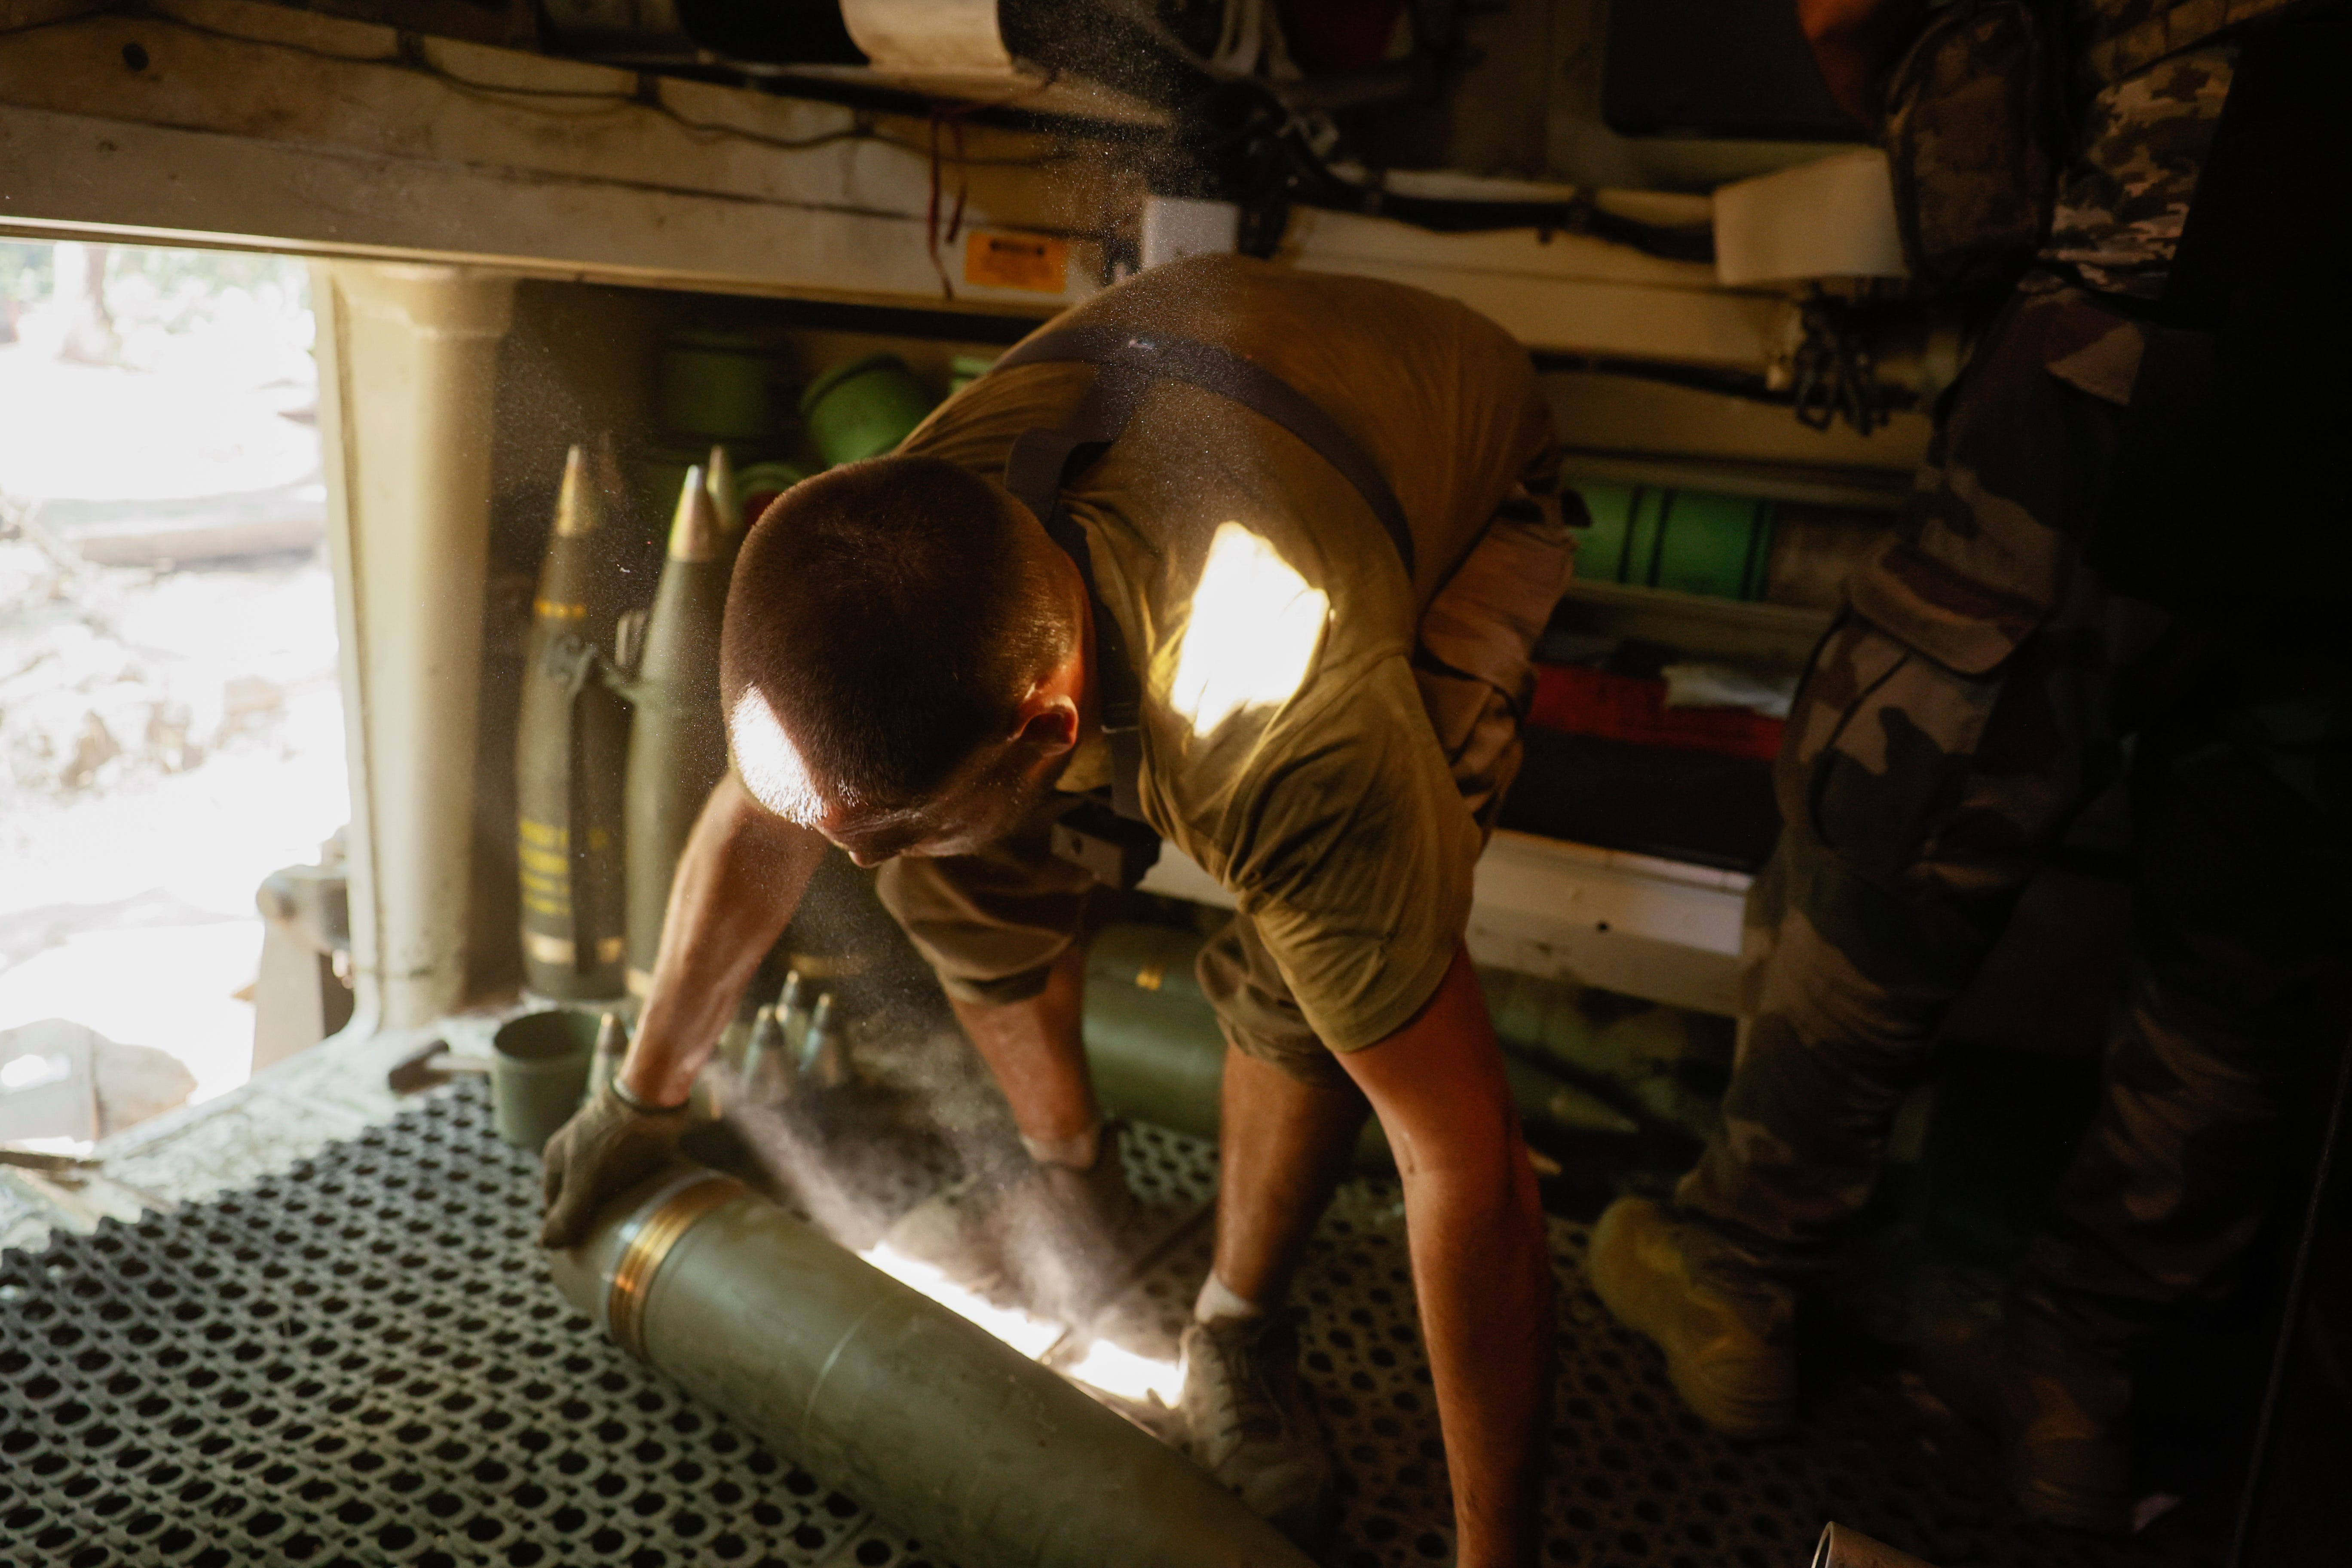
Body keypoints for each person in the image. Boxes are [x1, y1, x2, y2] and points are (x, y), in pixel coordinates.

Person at [539, 253, 1577, 1566]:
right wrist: (644, 1095)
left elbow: (1464, 1163)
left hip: (1453, 475)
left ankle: (1243, 1329)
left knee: (1316, 983)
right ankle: (1075, 1180)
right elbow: (780, 808)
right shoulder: (895, 531)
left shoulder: (1290, 730)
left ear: (1056, 726)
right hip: (1237, 394)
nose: (844, 881)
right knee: (934, 845)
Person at [1588, 0, 2350, 1535]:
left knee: (1901, 805)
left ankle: (1743, 1274)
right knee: (2249, 917)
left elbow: (1857, 9)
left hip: (2165, 281)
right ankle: (2081, 1375)